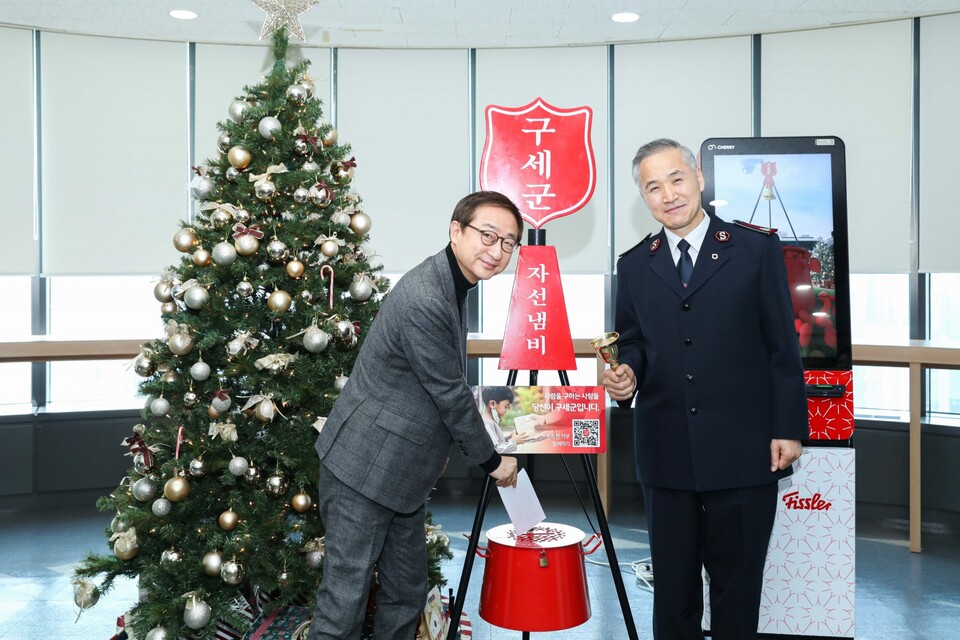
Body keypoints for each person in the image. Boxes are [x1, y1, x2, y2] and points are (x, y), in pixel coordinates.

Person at [604, 138, 808, 639]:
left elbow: (782, 347)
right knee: (673, 593)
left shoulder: (754, 250)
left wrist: (788, 427)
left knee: (737, 587)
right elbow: (631, 340)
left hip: (743, 450)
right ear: (644, 199)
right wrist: (625, 374)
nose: (668, 194)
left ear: (698, 177)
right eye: (653, 187)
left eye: (676, 179)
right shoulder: (634, 265)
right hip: (667, 453)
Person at [308, 191, 523, 640]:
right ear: (456, 230)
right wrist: (491, 461)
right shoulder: (427, 296)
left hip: (399, 473)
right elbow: (449, 392)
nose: (496, 250)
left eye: (508, 242)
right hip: (363, 469)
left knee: (407, 593)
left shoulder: (452, 283)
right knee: (343, 605)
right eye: (487, 235)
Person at [479, 386, 530, 453]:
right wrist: (513, 441)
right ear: (492, 404)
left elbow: (496, 443)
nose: (507, 411)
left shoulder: (490, 421)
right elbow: (495, 450)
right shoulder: (488, 423)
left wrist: (508, 438)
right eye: (506, 407)